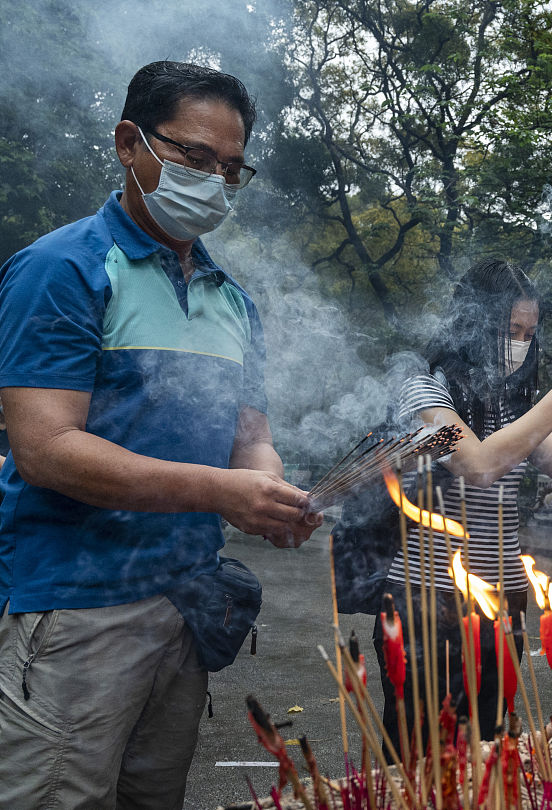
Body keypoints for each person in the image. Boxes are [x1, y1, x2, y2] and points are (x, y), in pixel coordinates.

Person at [0, 62, 321, 809]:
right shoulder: (64, 269)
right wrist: (222, 492)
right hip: (80, 604)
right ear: (127, 143)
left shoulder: (231, 298)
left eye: (231, 169)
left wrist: (268, 487)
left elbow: (250, 433)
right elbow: (46, 449)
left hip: (186, 603)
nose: (212, 181)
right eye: (194, 157)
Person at [374, 258, 552, 746]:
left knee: (490, 752)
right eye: (513, 329)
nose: (522, 343)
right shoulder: (424, 392)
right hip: (429, 602)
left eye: (530, 333)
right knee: (421, 758)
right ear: (475, 324)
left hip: (503, 605)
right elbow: (479, 464)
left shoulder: (512, 409)